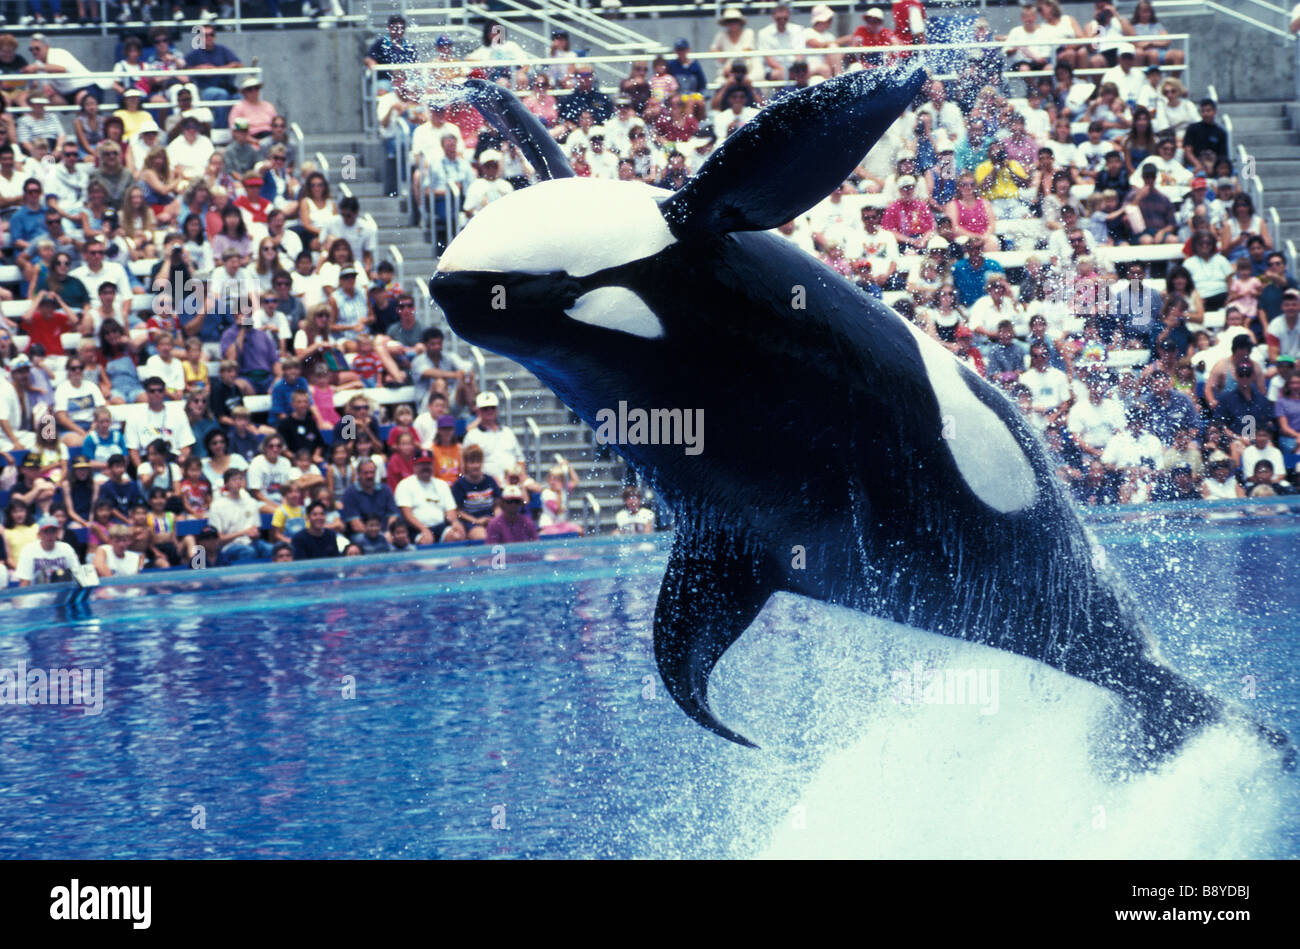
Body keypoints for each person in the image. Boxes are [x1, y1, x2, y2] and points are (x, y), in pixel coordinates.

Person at [395, 449, 465, 544]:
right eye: (422, 464)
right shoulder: (405, 485)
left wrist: (454, 522)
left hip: (440, 526)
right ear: (415, 466)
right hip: (416, 529)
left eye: (428, 464)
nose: (425, 467)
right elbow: (407, 514)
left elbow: (450, 510)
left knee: (457, 535)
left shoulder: (442, 484)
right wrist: (424, 529)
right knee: (427, 540)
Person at [208, 468, 273, 562]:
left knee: (271, 549)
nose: (238, 482)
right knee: (248, 551)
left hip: (251, 542)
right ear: (226, 484)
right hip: (229, 546)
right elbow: (218, 539)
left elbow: (257, 531)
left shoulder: (251, 502)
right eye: (234, 480)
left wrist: (255, 534)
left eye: (240, 479)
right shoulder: (217, 506)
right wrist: (243, 532)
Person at [14, 514, 78, 586]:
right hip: (37, 592)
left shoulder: (66, 548)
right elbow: (24, 582)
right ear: (39, 534)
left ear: (57, 533)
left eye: (53, 531)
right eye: (46, 531)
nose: (50, 535)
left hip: (62, 591)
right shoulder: (28, 550)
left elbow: (76, 575)